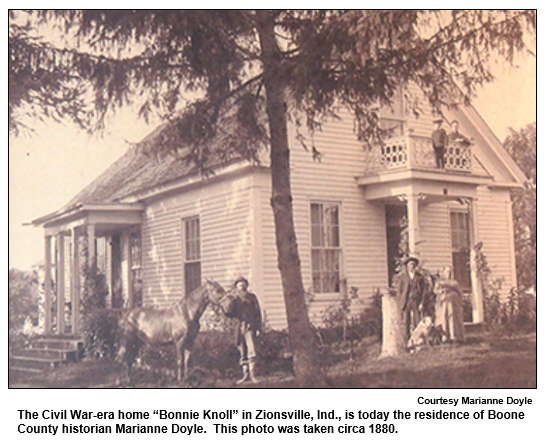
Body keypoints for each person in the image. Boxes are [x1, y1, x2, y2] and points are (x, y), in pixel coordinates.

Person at [226, 276, 262, 384]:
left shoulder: (252, 297)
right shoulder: (234, 299)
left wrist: (258, 327)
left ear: (246, 285)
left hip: (249, 326)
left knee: (252, 350)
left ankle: (252, 375)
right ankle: (245, 375)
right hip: (238, 327)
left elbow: (257, 313)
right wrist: (229, 304)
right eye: (239, 284)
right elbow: (229, 314)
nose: (241, 286)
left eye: (243, 284)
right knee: (242, 351)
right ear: (236, 286)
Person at [395, 256, 429, 338]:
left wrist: (422, 302)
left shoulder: (419, 276)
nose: (412, 266)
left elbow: (424, 290)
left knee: (417, 321)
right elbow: (399, 291)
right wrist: (400, 302)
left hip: (416, 300)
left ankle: (417, 339)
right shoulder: (402, 277)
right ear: (407, 266)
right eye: (410, 264)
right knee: (406, 321)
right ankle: (407, 341)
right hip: (406, 301)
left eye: (413, 264)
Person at [434, 267, 465, 343]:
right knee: (443, 317)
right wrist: (440, 291)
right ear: (444, 273)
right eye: (447, 272)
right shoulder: (440, 282)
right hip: (443, 301)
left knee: (452, 317)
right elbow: (435, 290)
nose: (448, 274)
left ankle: (454, 335)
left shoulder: (454, 282)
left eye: (450, 272)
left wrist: (460, 300)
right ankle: (445, 336)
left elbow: (460, 292)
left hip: (453, 302)